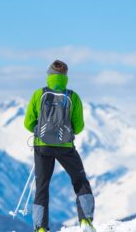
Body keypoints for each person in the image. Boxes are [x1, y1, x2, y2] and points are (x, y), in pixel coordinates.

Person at [24, 60, 96, 232]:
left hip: (42, 146)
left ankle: (40, 228)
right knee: (80, 181)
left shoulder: (38, 95)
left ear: (49, 75)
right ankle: (85, 220)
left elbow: (28, 123)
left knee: (42, 186)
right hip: (66, 146)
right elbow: (78, 127)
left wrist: (39, 130)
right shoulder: (73, 97)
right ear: (65, 77)